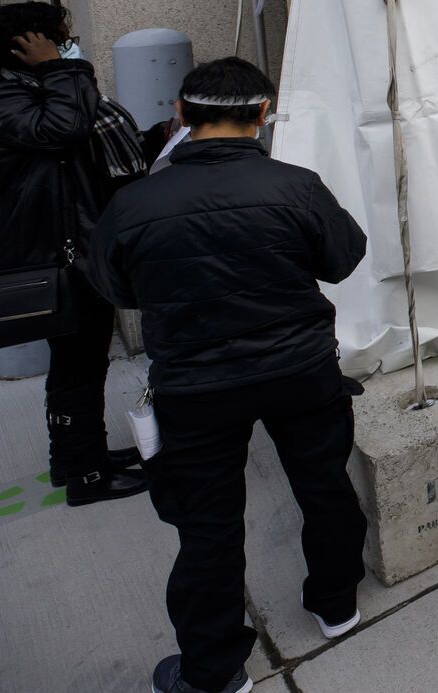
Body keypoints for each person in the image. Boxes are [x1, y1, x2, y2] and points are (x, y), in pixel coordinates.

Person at [88, 58, 369, 693]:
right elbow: (342, 259)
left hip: (196, 384)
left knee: (207, 522)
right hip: (299, 369)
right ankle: (336, 606)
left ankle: (215, 670)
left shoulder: (133, 202)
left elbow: (115, 288)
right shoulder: (295, 185)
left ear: (181, 117)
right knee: (324, 485)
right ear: (263, 115)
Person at [0, 1, 149, 505]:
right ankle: (87, 478)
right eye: (59, 38)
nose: (69, 45)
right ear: (27, 45)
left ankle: (78, 460)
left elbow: (81, 156)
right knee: (78, 364)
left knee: (81, 363)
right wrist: (59, 68)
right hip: (55, 254)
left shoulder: (31, 94)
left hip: (74, 247)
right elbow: (62, 131)